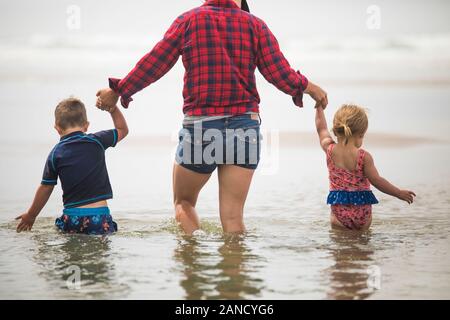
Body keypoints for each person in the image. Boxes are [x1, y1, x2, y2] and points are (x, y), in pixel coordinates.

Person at [96, 0, 328, 235]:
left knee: (184, 203)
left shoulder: (188, 21)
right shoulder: (255, 26)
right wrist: (311, 88)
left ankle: (192, 260)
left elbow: (155, 62)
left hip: (202, 128)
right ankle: (234, 269)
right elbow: (280, 74)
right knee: (233, 217)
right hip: (244, 128)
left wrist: (119, 90)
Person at [15, 97, 128, 234]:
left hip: (72, 218)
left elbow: (46, 187)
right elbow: (122, 129)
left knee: (70, 250)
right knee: (99, 253)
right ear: (86, 125)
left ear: (57, 128)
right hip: (99, 217)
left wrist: (31, 215)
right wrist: (113, 109)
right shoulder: (97, 141)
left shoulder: (55, 154)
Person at [315, 104, 416, 230]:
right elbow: (377, 181)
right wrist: (398, 193)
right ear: (360, 135)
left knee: (340, 245)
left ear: (336, 131)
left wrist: (319, 107)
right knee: (363, 245)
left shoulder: (329, 149)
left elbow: (322, 130)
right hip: (362, 211)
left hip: (339, 210)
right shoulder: (364, 157)